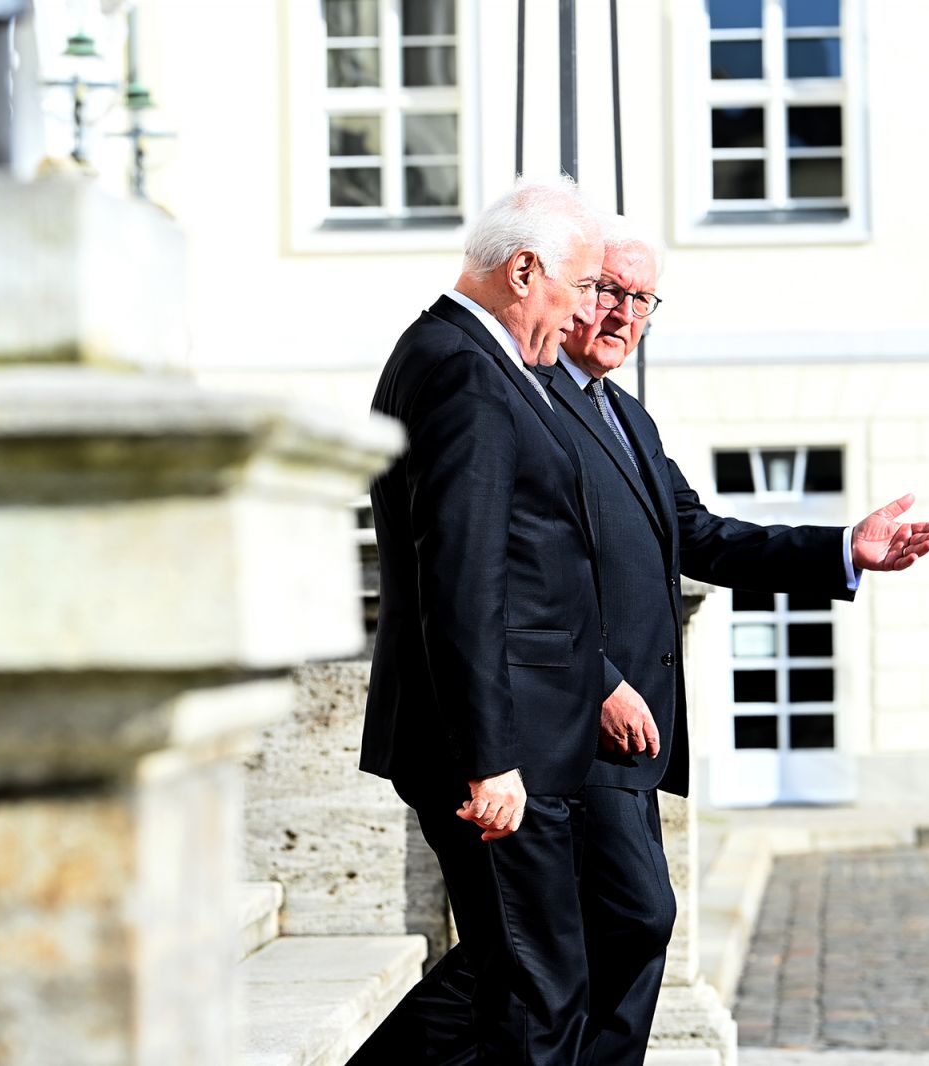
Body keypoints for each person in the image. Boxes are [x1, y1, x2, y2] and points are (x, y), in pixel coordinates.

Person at [535, 220, 929, 1065]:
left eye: (641, 300)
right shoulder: (535, 403)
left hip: (635, 733)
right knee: (627, 920)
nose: (622, 314)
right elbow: (524, 570)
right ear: (572, 290)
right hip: (580, 718)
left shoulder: (627, 417)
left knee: (607, 932)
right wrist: (597, 679)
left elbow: (700, 535)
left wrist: (842, 549)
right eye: (608, 291)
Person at [351, 177, 608, 1065]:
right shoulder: (464, 368)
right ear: (525, 270)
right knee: (539, 992)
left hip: (515, 739)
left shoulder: (464, 355)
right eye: (582, 287)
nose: (586, 314)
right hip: (497, 753)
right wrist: (490, 758)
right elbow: (461, 578)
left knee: (521, 979)